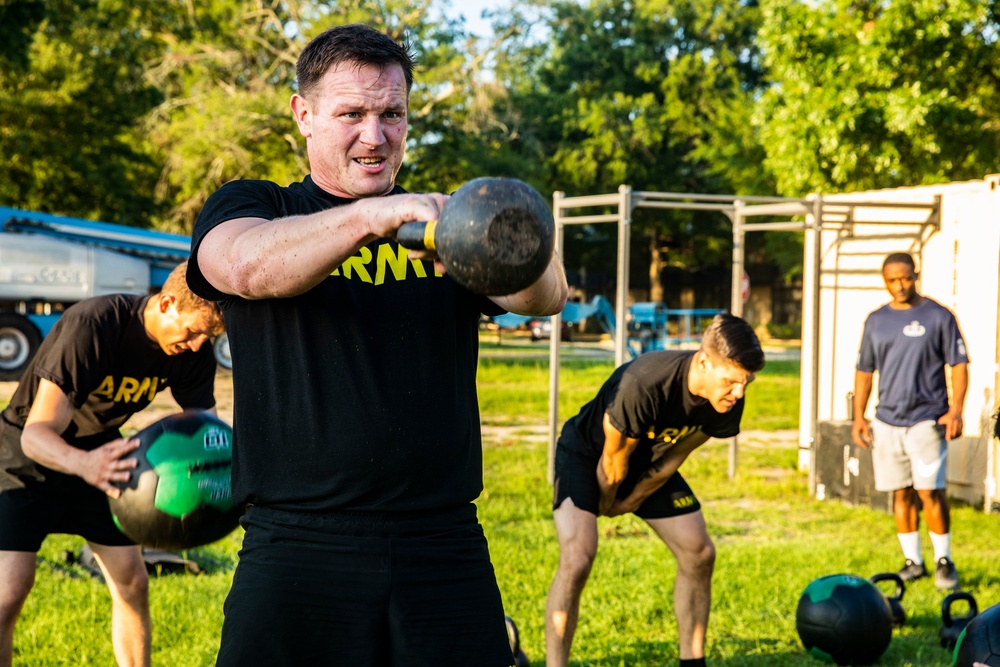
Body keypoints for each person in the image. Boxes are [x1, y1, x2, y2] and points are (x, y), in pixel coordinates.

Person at [185, 23, 568, 667]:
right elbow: (242, 267)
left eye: (392, 113)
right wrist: (373, 217)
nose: (376, 135)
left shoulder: (444, 225)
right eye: (352, 114)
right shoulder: (257, 205)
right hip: (298, 543)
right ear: (303, 115)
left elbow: (545, 297)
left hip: (443, 541)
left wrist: (504, 238)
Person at [0, 260, 224, 667]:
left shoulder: (193, 351)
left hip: (104, 455)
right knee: (8, 593)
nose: (195, 344)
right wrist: (84, 465)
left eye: (205, 336)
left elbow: (206, 433)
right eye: (193, 331)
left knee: (133, 582)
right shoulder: (95, 325)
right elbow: (36, 433)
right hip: (25, 454)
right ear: (167, 303)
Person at [545, 313, 764, 667]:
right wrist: (608, 505)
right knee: (579, 556)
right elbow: (613, 460)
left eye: (746, 383)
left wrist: (635, 498)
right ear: (704, 362)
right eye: (731, 382)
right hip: (589, 457)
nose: (738, 393)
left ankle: (692, 662)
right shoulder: (645, 382)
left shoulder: (727, 399)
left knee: (699, 552)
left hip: (647, 461)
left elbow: (678, 451)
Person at [851, 252, 968, 591]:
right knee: (900, 493)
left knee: (930, 491)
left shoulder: (938, 316)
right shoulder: (875, 320)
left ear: (916, 275)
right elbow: (864, 371)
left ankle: (944, 561)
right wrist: (859, 416)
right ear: (884, 280)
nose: (899, 285)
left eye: (905, 278)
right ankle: (912, 563)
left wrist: (956, 409)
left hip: (927, 418)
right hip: (887, 421)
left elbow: (959, 365)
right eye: (892, 280)